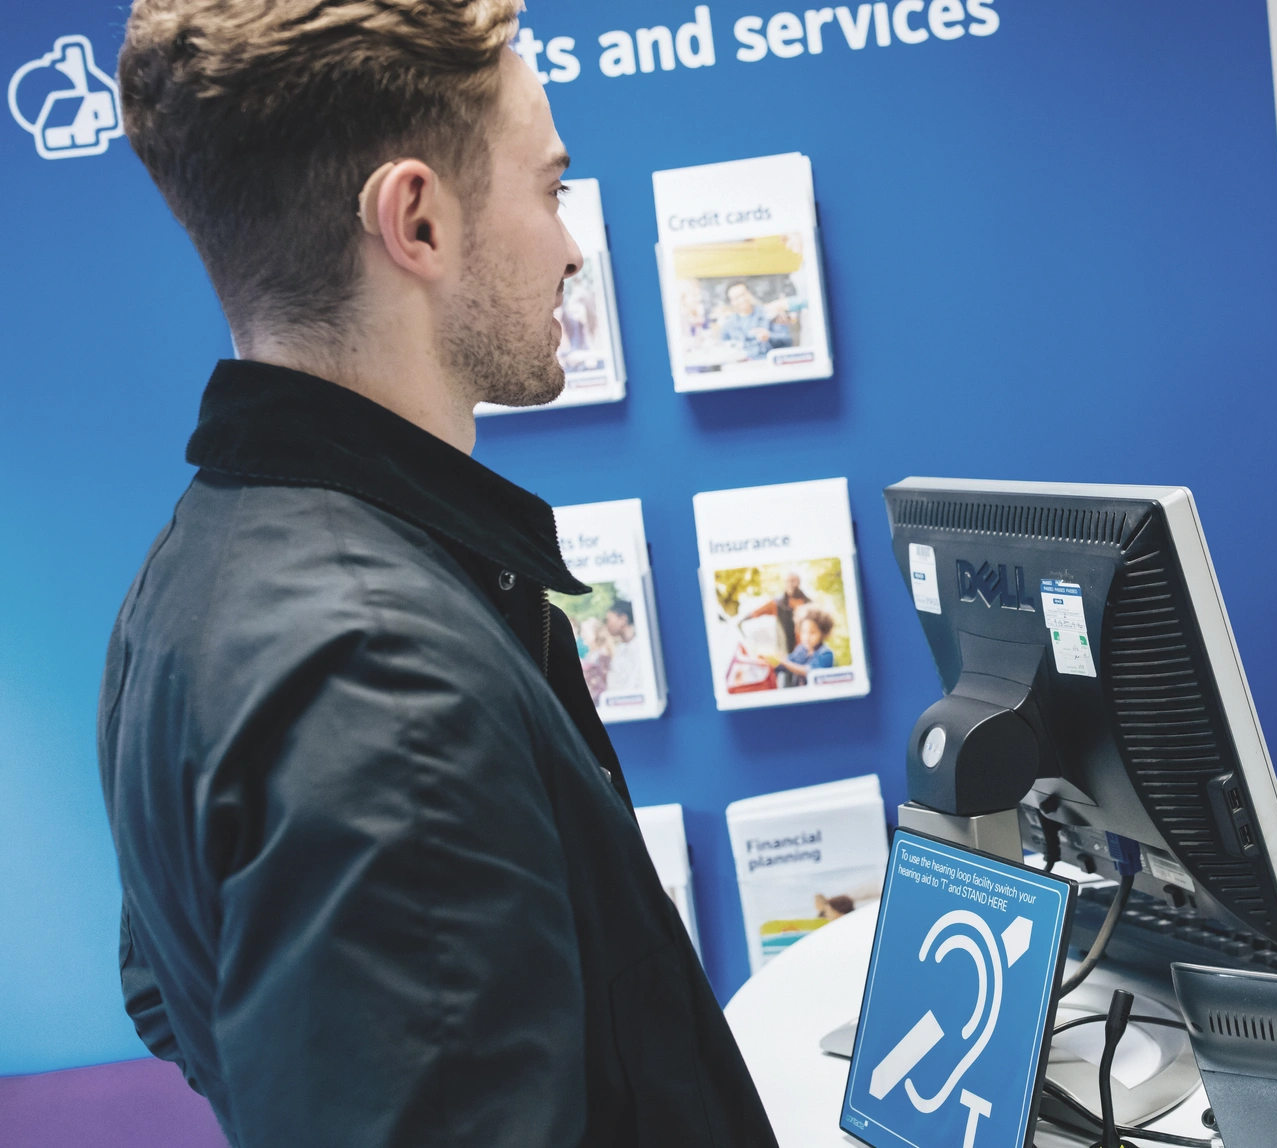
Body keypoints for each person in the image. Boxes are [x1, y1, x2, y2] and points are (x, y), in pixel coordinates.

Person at [101, 4, 776, 1145]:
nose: (571, 246)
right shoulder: (383, 691)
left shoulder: (197, 567)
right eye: (551, 190)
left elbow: (168, 989)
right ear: (415, 218)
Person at [715, 280, 794, 358]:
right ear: (731, 302)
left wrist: (769, 336)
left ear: (749, 294)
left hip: (768, 364)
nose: (742, 300)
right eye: (737, 298)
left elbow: (788, 340)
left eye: (743, 294)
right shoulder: (728, 326)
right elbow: (723, 351)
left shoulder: (769, 314)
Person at [746, 569, 811, 653]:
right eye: (788, 581)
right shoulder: (778, 604)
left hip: (807, 651)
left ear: (799, 583)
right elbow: (756, 612)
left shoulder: (809, 604)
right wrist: (738, 621)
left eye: (793, 581)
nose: (790, 584)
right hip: (786, 652)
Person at [769, 607, 836, 687]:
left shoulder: (826, 654)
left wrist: (785, 662)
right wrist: (771, 661)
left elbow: (808, 671)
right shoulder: (801, 650)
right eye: (804, 632)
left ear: (823, 633)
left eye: (812, 633)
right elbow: (786, 664)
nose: (807, 637)